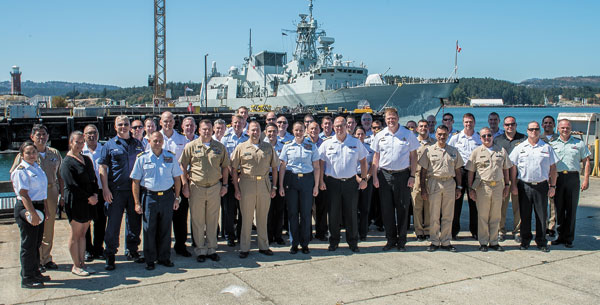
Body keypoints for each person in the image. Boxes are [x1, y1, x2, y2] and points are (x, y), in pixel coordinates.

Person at [10, 124, 63, 272]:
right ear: (32, 137)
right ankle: (36, 261)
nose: (42, 137)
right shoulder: (24, 155)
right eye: (38, 135)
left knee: (48, 228)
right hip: (32, 196)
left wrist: (62, 195)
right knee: (33, 229)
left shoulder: (54, 153)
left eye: (44, 134)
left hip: (50, 192)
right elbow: (14, 175)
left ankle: (46, 258)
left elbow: (60, 175)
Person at [131, 131, 183, 270]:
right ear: (149, 142)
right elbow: (135, 181)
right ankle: (150, 259)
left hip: (167, 196)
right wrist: (137, 202)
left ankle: (164, 257)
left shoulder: (170, 157)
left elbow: (177, 179)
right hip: (149, 197)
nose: (158, 143)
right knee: (149, 229)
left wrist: (177, 198)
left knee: (166, 229)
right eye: (155, 141)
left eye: (160, 140)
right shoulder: (142, 158)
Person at [180, 120, 230, 262]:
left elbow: (225, 166)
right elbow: (183, 165)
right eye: (204, 129)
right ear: (199, 130)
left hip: (215, 187)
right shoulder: (191, 146)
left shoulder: (220, 147)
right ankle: (200, 249)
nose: (206, 131)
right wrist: (185, 185)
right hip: (197, 187)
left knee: (213, 219)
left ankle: (212, 248)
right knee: (198, 220)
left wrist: (225, 185)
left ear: (213, 130)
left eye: (209, 129)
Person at [99, 115, 145, 270]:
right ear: (115, 127)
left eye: (126, 124)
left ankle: (132, 250)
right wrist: (105, 189)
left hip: (134, 190)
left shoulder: (137, 144)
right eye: (120, 124)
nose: (124, 127)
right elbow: (103, 168)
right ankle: (110, 254)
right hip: (116, 191)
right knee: (113, 224)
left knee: (134, 222)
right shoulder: (109, 145)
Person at [372, 108, 420, 251]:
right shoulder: (380, 135)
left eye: (393, 118)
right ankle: (390, 239)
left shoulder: (408, 134)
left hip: (403, 175)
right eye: (388, 118)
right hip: (385, 175)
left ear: (398, 118)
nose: (391, 121)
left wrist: (412, 176)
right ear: (385, 120)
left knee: (403, 209)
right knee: (387, 210)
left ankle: (402, 241)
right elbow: (376, 157)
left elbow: (414, 156)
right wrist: (374, 176)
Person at [319, 116, 368, 252]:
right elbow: (320, 163)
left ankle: (353, 242)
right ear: (333, 127)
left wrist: (364, 179)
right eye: (337, 126)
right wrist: (321, 180)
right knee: (333, 213)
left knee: (351, 213)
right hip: (332, 182)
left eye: (342, 125)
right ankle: (333, 241)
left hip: (350, 183)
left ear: (347, 126)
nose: (339, 128)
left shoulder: (355, 142)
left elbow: (363, 161)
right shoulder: (326, 144)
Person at [231, 121, 279, 258]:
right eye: (252, 130)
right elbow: (234, 169)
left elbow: (275, 168)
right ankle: (244, 248)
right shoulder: (241, 147)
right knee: (246, 217)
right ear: (248, 131)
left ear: (261, 131)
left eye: (257, 129)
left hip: (264, 184)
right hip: (247, 183)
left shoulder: (268, 147)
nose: (255, 132)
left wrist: (274, 186)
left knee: (262, 217)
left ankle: (264, 246)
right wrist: (236, 188)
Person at [509, 121, 558, 252]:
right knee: (525, 215)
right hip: (524, 185)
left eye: (536, 129)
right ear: (527, 131)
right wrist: (513, 185)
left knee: (542, 215)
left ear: (539, 130)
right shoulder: (520, 147)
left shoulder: (546, 148)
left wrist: (552, 186)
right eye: (531, 129)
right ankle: (525, 241)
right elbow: (513, 167)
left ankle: (541, 241)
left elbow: (553, 168)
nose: (534, 131)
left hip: (541, 186)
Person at [60, 131, 99, 276]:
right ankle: (75, 265)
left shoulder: (86, 159)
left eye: (82, 142)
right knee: (75, 234)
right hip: (76, 202)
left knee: (83, 233)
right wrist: (88, 197)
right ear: (71, 143)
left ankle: (82, 263)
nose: (80, 145)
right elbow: (71, 185)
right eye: (77, 142)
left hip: (89, 201)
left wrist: (95, 194)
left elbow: (93, 179)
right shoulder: (67, 163)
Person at [466, 127, 511, 252]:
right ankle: (483, 242)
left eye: (489, 135)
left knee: (496, 215)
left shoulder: (501, 151)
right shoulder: (476, 152)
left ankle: (494, 241)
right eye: (484, 136)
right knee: (483, 215)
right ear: (480, 138)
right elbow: (471, 172)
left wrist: (507, 185)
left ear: (493, 136)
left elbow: (506, 169)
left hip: (497, 186)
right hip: (482, 187)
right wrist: (470, 189)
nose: (487, 138)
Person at [419, 125, 463, 252]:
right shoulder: (429, 150)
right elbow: (423, 171)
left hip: (449, 183)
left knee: (448, 215)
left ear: (448, 134)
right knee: (434, 214)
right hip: (434, 183)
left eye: (444, 134)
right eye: (439, 134)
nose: (442, 137)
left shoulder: (454, 151)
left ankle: (446, 241)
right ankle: (434, 241)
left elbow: (458, 170)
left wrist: (459, 187)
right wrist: (423, 188)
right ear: (436, 135)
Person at [11, 141, 49, 288]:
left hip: (39, 206)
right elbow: (23, 194)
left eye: (33, 152)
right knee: (28, 244)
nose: (32, 155)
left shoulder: (37, 167)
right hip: (27, 207)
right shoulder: (21, 170)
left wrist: (45, 208)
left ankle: (35, 272)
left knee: (36, 243)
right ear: (21, 155)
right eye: (28, 153)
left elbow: (42, 191)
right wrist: (32, 213)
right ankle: (27, 277)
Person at [279, 122, 320, 254]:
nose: (299, 132)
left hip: (307, 180)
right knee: (292, 213)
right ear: (293, 131)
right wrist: (280, 185)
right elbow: (283, 167)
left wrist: (316, 186)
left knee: (306, 214)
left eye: (301, 130)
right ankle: (294, 243)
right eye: (296, 130)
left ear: (305, 131)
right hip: (291, 180)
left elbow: (317, 167)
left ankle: (305, 243)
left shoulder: (311, 146)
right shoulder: (287, 146)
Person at [549, 119, 591, 248]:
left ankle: (569, 238)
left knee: (571, 209)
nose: (565, 130)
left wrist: (586, 179)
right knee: (559, 208)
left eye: (567, 128)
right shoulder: (552, 144)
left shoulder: (579, 143)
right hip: (558, 177)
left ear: (570, 128)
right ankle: (560, 236)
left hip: (573, 178)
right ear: (558, 129)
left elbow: (587, 161)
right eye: (562, 128)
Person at [159, 113, 191, 257]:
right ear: (160, 122)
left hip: (178, 182)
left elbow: (185, 164)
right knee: (162, 219)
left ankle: (180, 245)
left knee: (180, 218)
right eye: (165, 121)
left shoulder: (182, 139)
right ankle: (162, 247)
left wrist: (185, 185)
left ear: (174, 122)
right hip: (161, 184)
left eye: (171, 121)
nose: (168, 123)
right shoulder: (154, 138)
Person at [448, 113, 481, 240]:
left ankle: (475, 230)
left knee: (474, 201)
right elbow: (450, 153)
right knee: (456, 202)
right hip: (459, 172)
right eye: (466, 122)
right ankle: (454, 230)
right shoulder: (456, 138)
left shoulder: (478, 138)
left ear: (474, 122)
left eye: (471, 122)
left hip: (474, 172)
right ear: (463, 123)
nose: (468, 124)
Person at [493, 116, 525, 242]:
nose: (509, 127)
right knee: (501, 206)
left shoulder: (523, 139)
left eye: (512, 124)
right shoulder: (498, 140)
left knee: (518, 206)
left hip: (519, 178)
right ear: (504, 126)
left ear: (516, 125)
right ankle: (500, 230)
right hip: (502, 178)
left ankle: (517, 231)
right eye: (507, 125)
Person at [220, 114, 249, 246]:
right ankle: (229, 236)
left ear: (244, 124)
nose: (238, 125)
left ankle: (241, 234)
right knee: (229, 210)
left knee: (243, 209)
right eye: (235, 123)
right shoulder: (225, 140)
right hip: (229, 177)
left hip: (244, 178)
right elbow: (223, 161)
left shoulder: (248, 139)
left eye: (240, 123)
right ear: (231, 124)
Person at [82, 124, 106, 262]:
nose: (92, 135)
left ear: (98, 134)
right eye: (89, 133)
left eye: (94, 132)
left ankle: (98, 248)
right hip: (87, 192)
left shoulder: (103, 150)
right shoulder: (80, 151)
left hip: (102, 190)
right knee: (86, 221)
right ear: (84, 136)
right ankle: (87, 249)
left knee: (101, 221)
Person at [412, 119, 435, 241]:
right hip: (416, 176)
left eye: (426, 126)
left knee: (429, 205)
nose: (423, 128)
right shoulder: (413, 143)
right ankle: (419, 231)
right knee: (417, 205)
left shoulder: (434, 143)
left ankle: (428, 230)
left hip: (430, 176)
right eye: (421, 126)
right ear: (417, 129)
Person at [265, 123, 286, 245]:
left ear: (277, 132)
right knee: (267, 209)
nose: (272, 134)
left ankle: (278, 235)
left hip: (280, 178)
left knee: (279, 208)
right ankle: (268, 235)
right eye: (269, 131)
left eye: (274, 131)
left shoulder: (283, 146)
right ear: (266, 132)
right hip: (266, 179)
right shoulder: (262, 146)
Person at [306, 122, 327, 240]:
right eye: (311, 129)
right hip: (308, 178)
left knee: (321, 208)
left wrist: (321, 181)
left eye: (316, 128)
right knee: (307, 208)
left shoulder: (324, 143)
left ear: (320, 129)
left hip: (321, 179)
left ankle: (321, 233)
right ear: (307, 130)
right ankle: (307, 233)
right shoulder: (303, 143)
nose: (314, 130)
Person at [354, 126, 375, 241]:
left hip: (367, 178)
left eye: (362, 134)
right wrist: (357, 178)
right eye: (358, 134)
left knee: (365, 208)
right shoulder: (351, 147)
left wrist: (367, 177)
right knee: (353, 208)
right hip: (354, 178)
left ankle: (363, 233)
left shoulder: (369, 149)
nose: (360, 136)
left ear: (365, 135)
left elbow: (373, 164)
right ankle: (354, 231)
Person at [541, 115, 560, 241]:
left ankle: (551, 227)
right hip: (542, 174)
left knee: (553, 203)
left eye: (550, 123)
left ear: (554, 125)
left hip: (554, 173)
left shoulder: (559, 138)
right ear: (542, 125)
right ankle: (542, 226)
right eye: (545, 123)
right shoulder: (538, 138)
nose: (548, 125)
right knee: (541, 203)